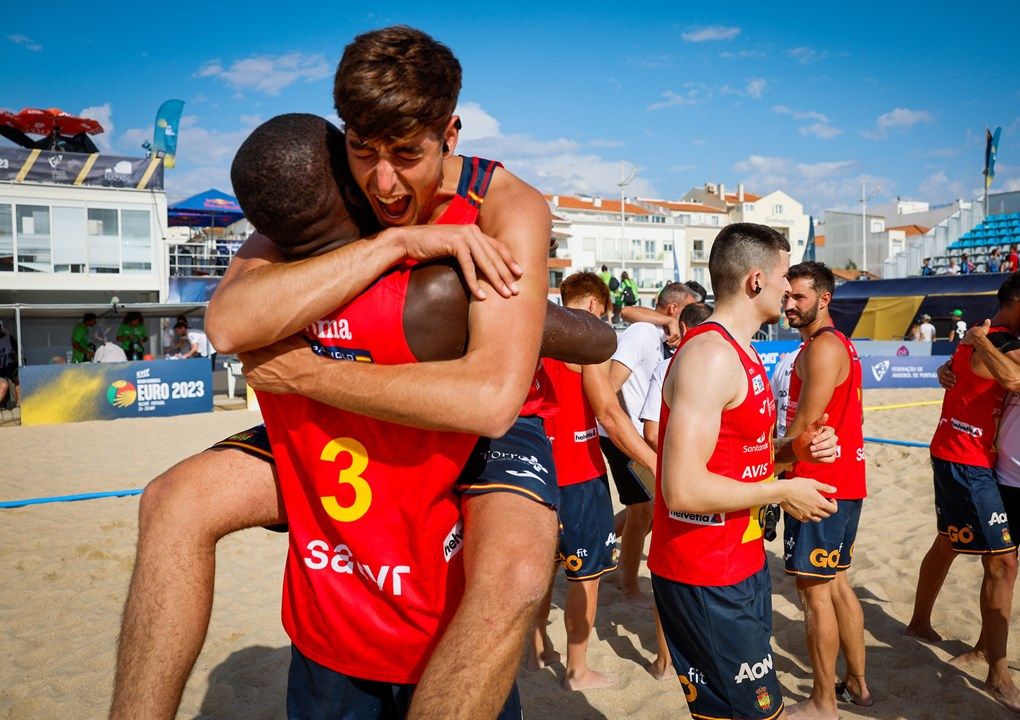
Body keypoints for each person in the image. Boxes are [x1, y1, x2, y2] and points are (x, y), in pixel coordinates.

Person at [110, 35, 614, 720]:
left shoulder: (505, 205)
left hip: (469, 425)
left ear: (449, 133)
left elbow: (490, 399)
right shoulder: (332, 178)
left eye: (407, 156)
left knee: (519, 576)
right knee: (172, 503)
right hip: (352, 412)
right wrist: (396, 242)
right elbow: (227, 324)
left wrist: (306, 376)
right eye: (365, 151)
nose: (383, 183)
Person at [648, 222, 839, 720]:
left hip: (741, 557)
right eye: (783, 278)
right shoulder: (710, 355)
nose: (788, 289)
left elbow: (740, 454)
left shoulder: (743, 350)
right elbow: (682, 488)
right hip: (704, 568)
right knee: (754, 713)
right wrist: (782, 491)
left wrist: (794, 451)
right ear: (755, 281)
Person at [529, 272, 654, 690]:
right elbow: (609, 414)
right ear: (596, 308)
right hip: (580, 475)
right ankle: (577, 670)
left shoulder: (532, 336)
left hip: (534, 472)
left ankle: (539, 649)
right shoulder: (590, 343)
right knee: (585, 577)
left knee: (542, 571)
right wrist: (653, 460)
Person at [904, 273, 1020, 713]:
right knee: (1002, 560)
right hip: (965, 461)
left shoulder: (991, 337)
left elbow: (963, 374)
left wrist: (958, 359)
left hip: (974, 459)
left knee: (951, 541)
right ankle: (997, 671)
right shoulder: (996, 338)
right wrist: (977, 344)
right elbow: (1013, 380)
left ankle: (921, 625)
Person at [781, 261, 872, 716]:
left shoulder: (821, 348)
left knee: (814, 594)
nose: (789, 305)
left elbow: (803, 425)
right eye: (787, 296)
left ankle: (823, 701)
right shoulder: (840, 345)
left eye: (799, 297)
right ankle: (858, 682)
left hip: (820, 485)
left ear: (824, 299)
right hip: (846, 481)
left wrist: (769, 460)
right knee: (837, 584)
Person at [604, 282, 696, 607]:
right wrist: (625, 429)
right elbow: (610, 385)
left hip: (637, 434)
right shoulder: (643, 332)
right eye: (689, 309)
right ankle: (627, 585)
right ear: (673, 310)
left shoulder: (660, 338)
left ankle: (595, 541)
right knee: (643, 511)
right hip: (621, 434)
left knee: (646, 509)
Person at [636, 299, 712, 680]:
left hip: (675, 481)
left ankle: (665, 660)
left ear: (682, 330)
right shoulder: (729, 362)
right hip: (715, 482)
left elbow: (650, 430)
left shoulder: (669, 365)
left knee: (668, 572)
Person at [0, 321, 19, 408]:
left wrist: (14, 356)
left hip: (10, 367)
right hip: (0, 371)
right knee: (4, 385)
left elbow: (18, 354)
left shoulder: (9, 338)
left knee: (18, 378)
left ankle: (20, 403)